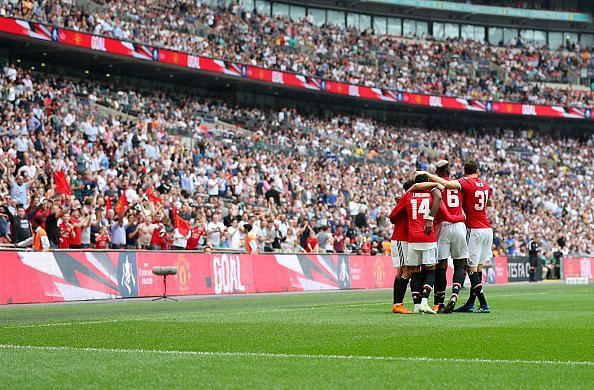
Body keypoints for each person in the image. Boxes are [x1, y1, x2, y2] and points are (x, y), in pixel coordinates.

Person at [420, 160, 492, 313]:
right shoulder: (483, 185)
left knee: (442, 265)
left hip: (453, 227)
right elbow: (489, 202)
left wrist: (428, 176)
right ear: (477, 171)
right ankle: (462, 298)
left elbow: (439, 195)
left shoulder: (458, 183)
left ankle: (439, 302)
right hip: (474, 227)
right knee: (464, 265)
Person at [389, 174, 443, 314]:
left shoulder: (408, 198)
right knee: (404, 271)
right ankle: (397, 304)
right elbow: (393, 217)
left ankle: (415, 304)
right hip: (402, 238)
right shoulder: (426, 197)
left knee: (412, 271)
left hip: (411, 238)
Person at [432, 160, 468, 313]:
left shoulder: (436, 186)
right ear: (448, 172)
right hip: (459, 225)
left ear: (438, 173)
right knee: (460, 263)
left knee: (441, 265)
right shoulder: (458, 186)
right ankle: (454, 295)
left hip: (443, 226)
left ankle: (439, 302)